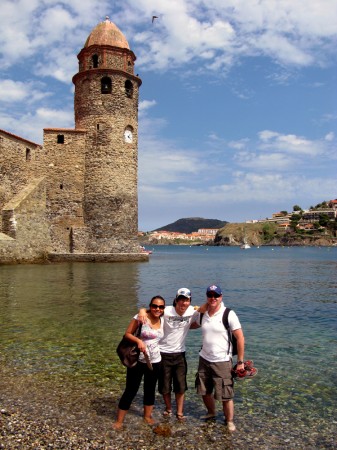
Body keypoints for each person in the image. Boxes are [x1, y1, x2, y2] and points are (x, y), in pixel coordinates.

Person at [139, 288, 203, 421]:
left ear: (190, 301)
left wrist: (193, 324)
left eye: (186, 300)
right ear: (176, 300)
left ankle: (179, 412)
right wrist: (141, 310)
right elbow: (149, 310)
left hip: (180, 354)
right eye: (180, 299)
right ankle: (168, 408)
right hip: (163, 353)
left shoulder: (192, 311)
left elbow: (199, 318)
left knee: (180, 386)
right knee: (165, 385)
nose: (183, 303)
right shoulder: (166, 310)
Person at [196, 285, 245, 432]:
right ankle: (211, 413)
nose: (213, 298)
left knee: (225, 394)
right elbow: (191, 324)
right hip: (204, 358)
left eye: (215, 295)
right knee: (204, 390)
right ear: (206, 297)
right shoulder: (203, 314)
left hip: (222, 360)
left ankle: (229, 421)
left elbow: (240, 337)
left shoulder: (228, 314)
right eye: (210, 295)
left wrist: (240, 362)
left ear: (221, 297)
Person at [113, 295, 165, 430]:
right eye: (154, 306)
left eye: (160, 307)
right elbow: (127, 334)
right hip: (138, 360)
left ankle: (147, 416)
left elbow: (181, 311)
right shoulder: (141, 317)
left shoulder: (163, 319)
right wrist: (139, 341)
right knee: (131, 389)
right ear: (150, 306)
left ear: (164, 309)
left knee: (150, 389)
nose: (157, 309)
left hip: (155, 361)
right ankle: (119, 420)